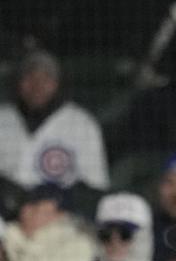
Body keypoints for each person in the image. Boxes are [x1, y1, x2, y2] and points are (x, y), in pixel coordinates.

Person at [0, 51, 109, 195]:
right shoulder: (3, 117)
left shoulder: (83, 124)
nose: (37, 85)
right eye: (29, 77)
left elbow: (95, 187)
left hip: (58, 211)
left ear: (58, 84)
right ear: (19, 83)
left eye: (46, 78)